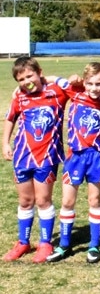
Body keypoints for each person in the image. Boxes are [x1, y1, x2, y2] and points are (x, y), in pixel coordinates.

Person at [44, 62, 100, 264]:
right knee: (67, 201)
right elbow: (50, 79)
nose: (94, 88)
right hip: (74, 156)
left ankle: (94, 245)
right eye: (90, 83)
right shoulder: (74, 91)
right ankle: (64, 245)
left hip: (97, 157)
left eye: (99, 84)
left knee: (94, 200)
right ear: (84, 83)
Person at [2, 57, 70, 263]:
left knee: (43, 200)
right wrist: (5, 143)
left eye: (30, 75)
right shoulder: (20, 97)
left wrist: (49, 78)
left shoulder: (56, 93)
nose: (26, 81)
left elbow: (76, 87)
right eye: (21, 79)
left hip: (47, 157)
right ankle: (23, 242)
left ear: (39, 72)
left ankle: (45, 243)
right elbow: (10, 118)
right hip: (22, 156)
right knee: (25, 201)